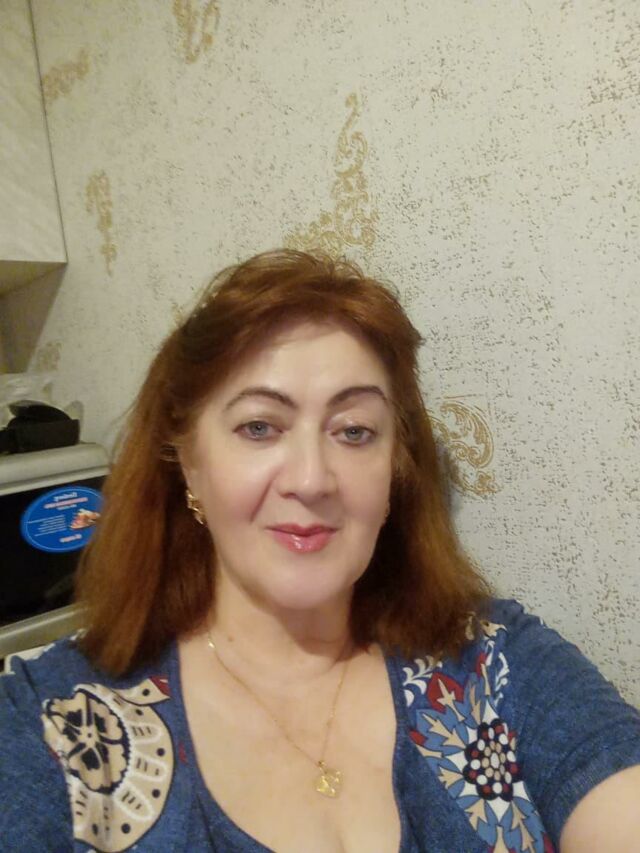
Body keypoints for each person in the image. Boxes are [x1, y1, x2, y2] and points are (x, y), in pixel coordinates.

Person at [1, 249, 639, 853]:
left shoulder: (498, 664)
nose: (311, 479)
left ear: (395, 467)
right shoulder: (46, 726)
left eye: (354, 431)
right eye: (259, 427)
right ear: (188, 461)